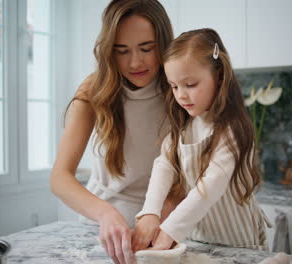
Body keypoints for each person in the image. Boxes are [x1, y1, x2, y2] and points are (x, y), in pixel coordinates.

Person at [49, 1, 177, 263]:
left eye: (146, 48)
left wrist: (160, 215)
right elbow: (60, 178)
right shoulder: (94, 88)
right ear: (109, 51)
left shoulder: (179, 89)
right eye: (121, 51)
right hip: (100, 227)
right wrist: (105, 214)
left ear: (163, 43)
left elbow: (193, 172)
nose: (135, 62)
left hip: (162, 227)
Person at [132, 28, 272, 252]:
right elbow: (164, 165)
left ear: (218, 76)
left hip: (239, 245)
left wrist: (168, 230)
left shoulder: (232, 131)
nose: (181, 95)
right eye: (174, 86)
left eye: (190, 85)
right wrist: (150, 212)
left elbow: (208, 189)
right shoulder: (185, 125)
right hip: (200, 242)